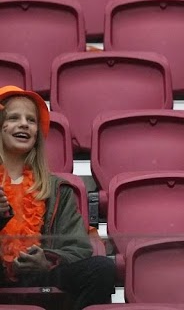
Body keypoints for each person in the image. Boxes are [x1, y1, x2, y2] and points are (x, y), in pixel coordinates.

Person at [0, 86, 116, 310]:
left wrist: (47, 260)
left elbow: (78, 247)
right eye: (14, 118)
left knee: (102, 269)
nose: (24, 124)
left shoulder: (57, 189)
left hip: (40, 276)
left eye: (31, 120)